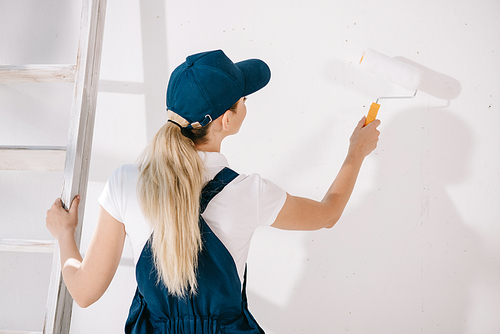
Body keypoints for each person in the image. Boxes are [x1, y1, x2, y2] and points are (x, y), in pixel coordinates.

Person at [46, 49, 380, 333]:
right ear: (225, 120)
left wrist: (65, 234)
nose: (245, 102)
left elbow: (84, 292)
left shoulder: (125, 183)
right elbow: (328, 213)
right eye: (242, 99)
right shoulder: (251, 193)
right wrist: (356, 152)